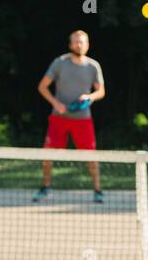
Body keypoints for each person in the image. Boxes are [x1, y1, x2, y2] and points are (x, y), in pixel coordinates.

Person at [34, 29, 106, 202]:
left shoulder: (93, 66)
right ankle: (45, 187)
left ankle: (97, 190)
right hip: (59, 118)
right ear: (70, 44)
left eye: (82, 42)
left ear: (88, 45)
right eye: (75, 41)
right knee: (48, 155)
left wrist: (90, 97)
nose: (79, 44)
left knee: (91, 156)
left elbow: (101, 91)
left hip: (83, 119)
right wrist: (55, 103)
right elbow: (42, 87)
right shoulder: (60, 63)